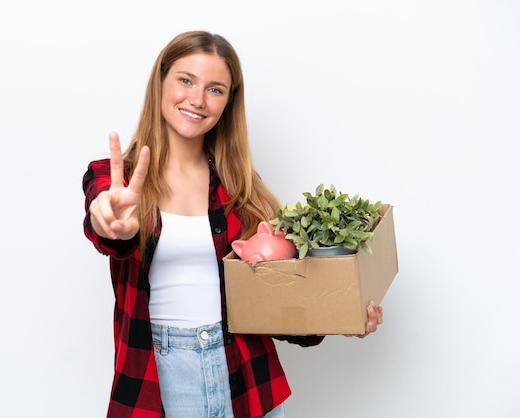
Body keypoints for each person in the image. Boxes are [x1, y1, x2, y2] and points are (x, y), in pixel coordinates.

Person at [82, 30, 383, 418]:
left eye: (215, 89)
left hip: (246, 376)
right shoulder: (113, 178)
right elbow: (105, 222)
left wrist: (341, 313)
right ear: (160, 82)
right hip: (162, 376)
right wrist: (113, 224)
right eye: (185, 80)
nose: (197, 99)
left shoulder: (240, 188)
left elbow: (274, 294)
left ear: (228, 102)